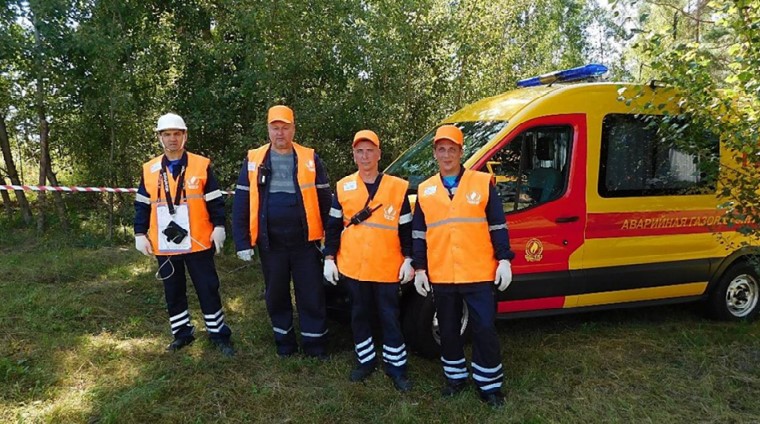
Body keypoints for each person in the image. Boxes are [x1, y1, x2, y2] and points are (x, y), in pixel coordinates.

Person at [411, 124, 515, 407]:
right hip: (442, 273)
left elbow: (497, 225)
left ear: (461, 152)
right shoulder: (425, 190)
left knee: (484, 328)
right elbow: (419, 233)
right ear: (435, 153)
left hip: (478, 272)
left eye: (452, 149)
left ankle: (489, 385)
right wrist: (419, 268)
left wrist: (504, 259)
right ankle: (455, 378)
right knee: (448, 330)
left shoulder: (482, 183)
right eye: (441, 149)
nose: (447, 155)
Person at [232, 105, 331, 359]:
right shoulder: (254, 159)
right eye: (275, 128)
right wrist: (242, 241)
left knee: (311, 293)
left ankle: (315, 346)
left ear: (293, 129)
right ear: (268, 130)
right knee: (276, 293)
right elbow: (242, 201)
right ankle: (284, 343)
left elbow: (325, 202)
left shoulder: (310, 158)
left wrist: (329, 241)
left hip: (305, 242)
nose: (280, 133)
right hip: (271, 242)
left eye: (285, 128)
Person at [133, 112, 234, 357]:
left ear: (185, 136)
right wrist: (139, 233)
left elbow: (215, 200)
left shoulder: (201, 165)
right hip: (165, 243)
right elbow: (142, 205)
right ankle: (181, 334)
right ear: (159, 137)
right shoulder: (149, 169)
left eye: (177, 134)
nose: (172, 139)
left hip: (198, 240)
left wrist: (219, 226)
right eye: (167, 134)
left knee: (208, 288)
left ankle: (218, 334)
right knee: (173, 290)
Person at [323, 130, 414, 392]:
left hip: (387, 267)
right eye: (360, 151)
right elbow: (333, 226)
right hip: (354, 267)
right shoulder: (343, 186)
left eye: (369, 151)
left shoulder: (397, 187)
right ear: (354, 155)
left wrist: (409, 259)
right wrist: (329, 257)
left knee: (390, 317)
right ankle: (365, 361)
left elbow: (406, 229)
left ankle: (396, 367)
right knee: (359, 315)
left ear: (379, 154)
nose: (365, 156)